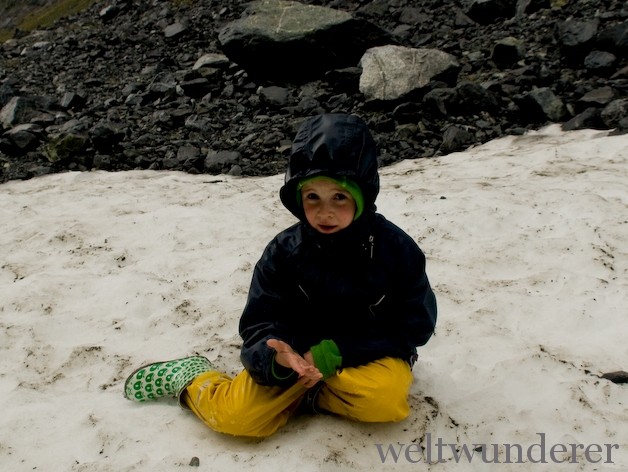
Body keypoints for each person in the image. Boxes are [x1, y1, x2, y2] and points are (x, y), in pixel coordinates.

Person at [124, 113, 437, 438]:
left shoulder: (396, 250)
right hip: (295, 362)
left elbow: (414, 325)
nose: (324, 211)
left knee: (385, 402)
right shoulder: (282, 252)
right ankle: (194, 379)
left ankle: (306, 397)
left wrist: (337, 352)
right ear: (298, 198)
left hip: (362, 357)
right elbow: (259, 324)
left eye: (339, 197)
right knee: (237, 420)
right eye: (312, 196)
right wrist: (277, 359)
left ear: (361, 196)